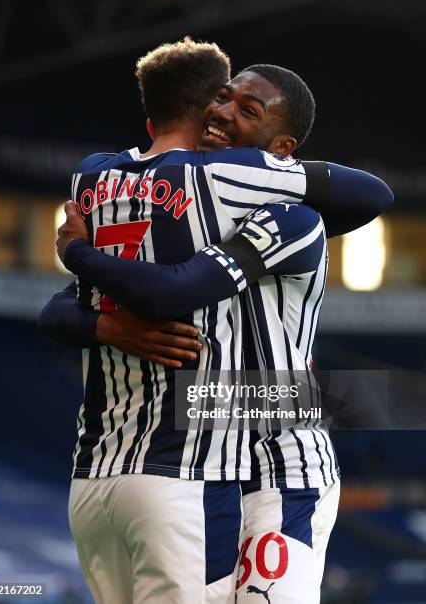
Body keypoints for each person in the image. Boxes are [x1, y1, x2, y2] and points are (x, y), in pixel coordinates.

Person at [40, 41, 393, 604]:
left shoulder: (294, 218)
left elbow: (181, 292)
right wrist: (107, 329)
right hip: (206, 464)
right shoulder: (189, 207)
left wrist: (78, 253)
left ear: (280, 152)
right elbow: (63, 306)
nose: (223, 112)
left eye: (247, 111)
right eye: (224, 98)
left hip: (280, 465)